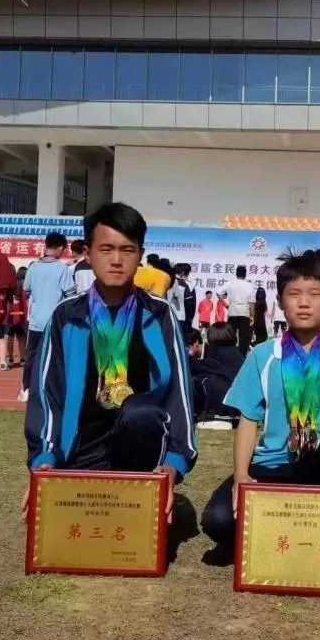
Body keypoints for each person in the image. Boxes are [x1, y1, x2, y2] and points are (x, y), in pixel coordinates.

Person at [200, 250, 320, 554]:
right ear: (280, 301)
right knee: (218, 521)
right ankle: (283, 538)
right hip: (274, 466)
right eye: (294, 294)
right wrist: (241, 478)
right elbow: (248, 421)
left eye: (315, 294)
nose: (304, 302)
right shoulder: (263, 355)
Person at [23, 202, 196, 524]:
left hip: (138, 446)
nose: (116, 260)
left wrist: (174, 462)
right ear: (87, 253)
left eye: (127, 250)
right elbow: (46, 393)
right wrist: (44, 458)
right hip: (79, 448)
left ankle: (143, 496)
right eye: (106, 249)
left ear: (140, 255)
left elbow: (179, 395)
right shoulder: (67, 315)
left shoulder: (158, 314)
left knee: (140, 410)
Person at [20, 233, 76, 402]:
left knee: (32, 356)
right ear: (59, 248)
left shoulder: (33, 267)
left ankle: (26, 389)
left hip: (36, 321)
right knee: (55, 357)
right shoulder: (61, 268)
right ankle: (50, 390)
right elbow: (70, 294)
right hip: (54, 322)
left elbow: (26, 289)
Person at [191, 321, 246, 429]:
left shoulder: (217, 353)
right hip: (242, 405)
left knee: (198, 379)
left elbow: (201, 367)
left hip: (224, 405)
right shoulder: (238, 355)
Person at [225, 265, 255, 355]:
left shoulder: (230, 283)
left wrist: (225, 304)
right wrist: (252, 316)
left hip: (232, 312)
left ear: (236, 273)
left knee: (230, 335)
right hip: (244, 313)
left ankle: (230, 354)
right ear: (245, 274)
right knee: (243, 337)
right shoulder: (249, 285)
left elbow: (219, 292)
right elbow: (251, 303)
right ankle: (241, 356)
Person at [7, 266, 28, 366]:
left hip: (11, 313)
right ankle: (23, 359)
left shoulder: (12, 284)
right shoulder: (26, 284)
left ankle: (10, 359)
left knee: (10, 336)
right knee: (21, 338)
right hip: (21, 313)